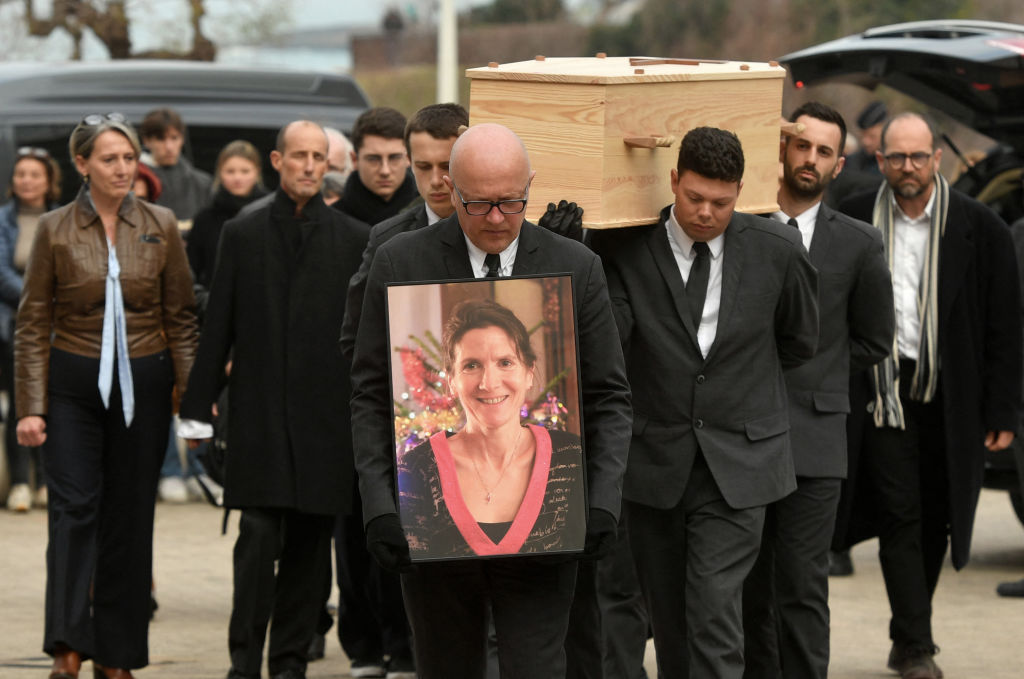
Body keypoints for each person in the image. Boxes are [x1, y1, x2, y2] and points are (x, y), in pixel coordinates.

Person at [349, 122, 631, 679]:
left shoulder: (576, 266)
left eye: (512, 201)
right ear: (451, 190)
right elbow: (369, 394)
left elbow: (608, 396)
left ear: (531, 185)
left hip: (546, 526)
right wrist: (381, 505)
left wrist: (601, 499)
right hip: (430, 525)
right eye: (479, 204)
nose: (498, 218)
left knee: (536, 666)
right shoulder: (400, 263)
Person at [589, 126, 819, 679]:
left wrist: (737, 391)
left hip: (740, 465)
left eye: (722, 201)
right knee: (670, 622)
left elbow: (798, 342)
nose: (707, 213)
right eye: (694, 198)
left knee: (715, 611)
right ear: (673, 181)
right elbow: (610, 346)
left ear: (740, 191)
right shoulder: (623, 247)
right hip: (654, 463)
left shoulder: (778, 251)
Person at [178, 120, 370, 679]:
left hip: (323, 421)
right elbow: (219, 328)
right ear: (277, 161)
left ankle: (288, 663)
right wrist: (196, 409)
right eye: (299, 155)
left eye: (318, 156)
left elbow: (362, 339)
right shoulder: (242, 233)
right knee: (257, 538)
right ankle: (244, 660)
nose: (310, 165)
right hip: (258, 416)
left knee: (312, 549)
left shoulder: (354, 239)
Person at [834, 112, 1021, 679]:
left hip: (952, 397)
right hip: (881, 394)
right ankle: (917, 646)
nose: (908, 168)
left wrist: (1001, 408)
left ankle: (908, 630)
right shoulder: (855, 215)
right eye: (897, 157)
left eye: (918, 157)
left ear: (937, 158)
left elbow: (1004, 327)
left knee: (938, 517)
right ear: (881, 158)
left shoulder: (979, 226)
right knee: (899, 513)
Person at [14, 112, 198, 679]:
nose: (123, 168)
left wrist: (188, 401)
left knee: (130, 515)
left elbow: (181, 318)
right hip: (72, 382)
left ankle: (118, 654)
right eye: (110, 159)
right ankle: (68, 643)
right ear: (82, 165)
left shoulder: (161, 223)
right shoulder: (54, 228)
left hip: (143, 378)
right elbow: (32, 320)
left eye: (128, 157)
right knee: (73, 509)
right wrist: (31, 407)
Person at [741, 102, 895, 679]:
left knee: (803, 585)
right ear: (782, 149)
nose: (810, 159)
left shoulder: (859, 243)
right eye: (801, 145)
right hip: (742, 438)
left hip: (817, 439)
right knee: (748, 587)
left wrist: (822, 371)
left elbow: (875, 340)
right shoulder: (742, 226)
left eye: (823, 151)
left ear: (840, 164)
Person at [331, 102, 470, 679]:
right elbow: (355, 342)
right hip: (421, 435)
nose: (437, 181)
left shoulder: (507, 225)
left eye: (447, 165)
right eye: (424, 166)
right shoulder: (390, 238)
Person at [399, 297, 586, 559]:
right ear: (451, 380)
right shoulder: (415, 469)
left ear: (529, 372)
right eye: (471, 365)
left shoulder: (572, 456)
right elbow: (417, 584)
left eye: (505, 362)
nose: (489, 383)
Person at [0, 146, 61, 513]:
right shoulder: (3, 219)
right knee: (22, 404)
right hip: (13, 323)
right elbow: (1, 272)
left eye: (34, 174)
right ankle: (21, 483)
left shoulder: (64, 219)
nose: (26, 180)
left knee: (54, 404)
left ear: (49, 181)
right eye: (20, 173)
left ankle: (48, 483)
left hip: (57, 325)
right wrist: (35, 298)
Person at [187, 140, 267, 293]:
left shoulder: (270, 212)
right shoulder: (205, 219)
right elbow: (191, 271)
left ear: (256, 172)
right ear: (220, 173)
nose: (237, 178)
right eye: (230, 171)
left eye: (245, 171)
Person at [333, 107, 418, 225]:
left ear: (409, 157)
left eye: (394, 158)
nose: (385, 171)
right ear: (354, 159)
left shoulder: (432, 215)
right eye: (373, 159)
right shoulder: (330, 222)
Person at [139, 107, 213, 224]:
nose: (169, 147)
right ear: (146, 141)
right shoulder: (135, 183)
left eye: (174, 138)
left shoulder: (202, 183)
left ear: (182, 139)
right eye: (160, 139)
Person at [824, 100, 887, 210]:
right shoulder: (853, 160)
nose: (866, 142)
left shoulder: (891, 162)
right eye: (863, 136)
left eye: (872, 136)